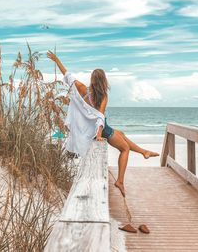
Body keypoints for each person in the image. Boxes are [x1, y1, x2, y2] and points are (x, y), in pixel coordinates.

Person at [47, 50, 159, 197]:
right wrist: (98, 134)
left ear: (92, 79)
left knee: (121, 134)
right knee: (124, 149)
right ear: (103, 81)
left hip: (97, 128)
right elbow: (100, 118)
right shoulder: (103, 96)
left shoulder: (81, 88)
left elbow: (67, 75)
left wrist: (56, 60)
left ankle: (144, 151)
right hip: (101, 129)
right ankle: (120, 181)